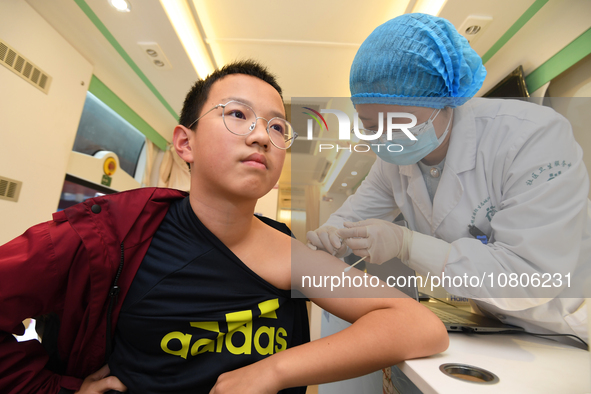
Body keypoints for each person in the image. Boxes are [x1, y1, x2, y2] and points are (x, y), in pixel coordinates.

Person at [0, 60, 448, 394]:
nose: (260, 136)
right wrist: (57, 388)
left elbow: (418, 325)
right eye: (237, 115)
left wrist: (270, 371)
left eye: (277, 127)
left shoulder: (289, 255)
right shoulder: (108, 237)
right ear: (184, 142)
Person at [307, 13, 590, 342]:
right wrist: (331, 236)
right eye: (371, 127)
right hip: (496, 325)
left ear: (442, 101)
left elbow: (529, 277)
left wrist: (406, 244)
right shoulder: (392, 165)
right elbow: (349, 221)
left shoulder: (532, 136)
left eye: (397, 123)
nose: (385, 138)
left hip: (570, 322)